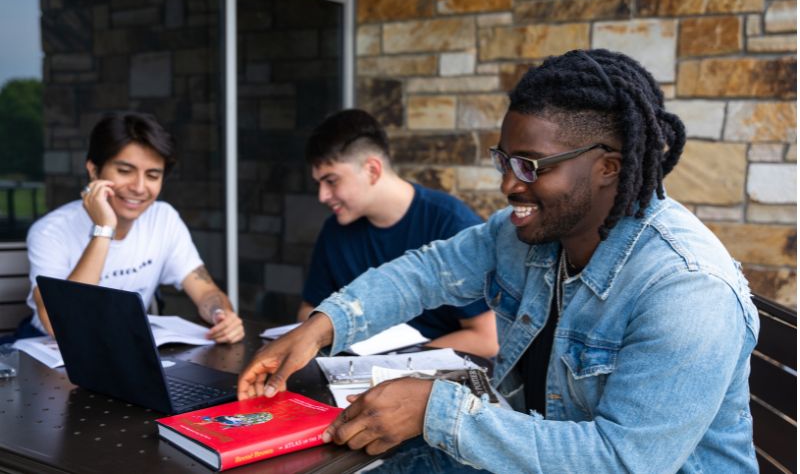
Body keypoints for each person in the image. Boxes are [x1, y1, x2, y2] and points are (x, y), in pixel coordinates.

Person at [238, 49, 760, 473]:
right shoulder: (531, 232)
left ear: (608, 167)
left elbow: (625, 461)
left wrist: (434, 410)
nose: (509, 184)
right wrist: (321, 326)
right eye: (505, 160)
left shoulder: (688, 289)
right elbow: (426, 272)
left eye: (530, 166)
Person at [24, 111, 244, 344]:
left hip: (124, 345)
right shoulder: (50, 231)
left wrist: (221, 315)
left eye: (152, 175)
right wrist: (104, 228)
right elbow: (60, 323)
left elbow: (207, 292)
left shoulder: (163, 218)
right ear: (94, 170)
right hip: (52, 351)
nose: (139, 188)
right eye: (125, 171)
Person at [298, 109, 497, 358]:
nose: (322, 196)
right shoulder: (335, 230)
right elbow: (308, 310)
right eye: (319, 184)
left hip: (436, 379)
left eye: (332, 180)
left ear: (372, 170)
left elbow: (487, 338)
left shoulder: (451, 223)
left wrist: (398, 365)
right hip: (348, 374)